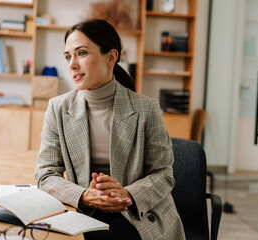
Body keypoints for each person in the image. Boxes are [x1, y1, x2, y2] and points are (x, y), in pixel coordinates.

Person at [34, 19, 185, 240]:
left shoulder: (147, 108)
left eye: (82, 53)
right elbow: (45, 174)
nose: (72, 64)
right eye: (68, 56)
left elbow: (163, 175)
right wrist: (85, 195)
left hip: (137, 213)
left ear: (111, 57)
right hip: (84, 211)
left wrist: (127, 194)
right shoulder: (58, 108)